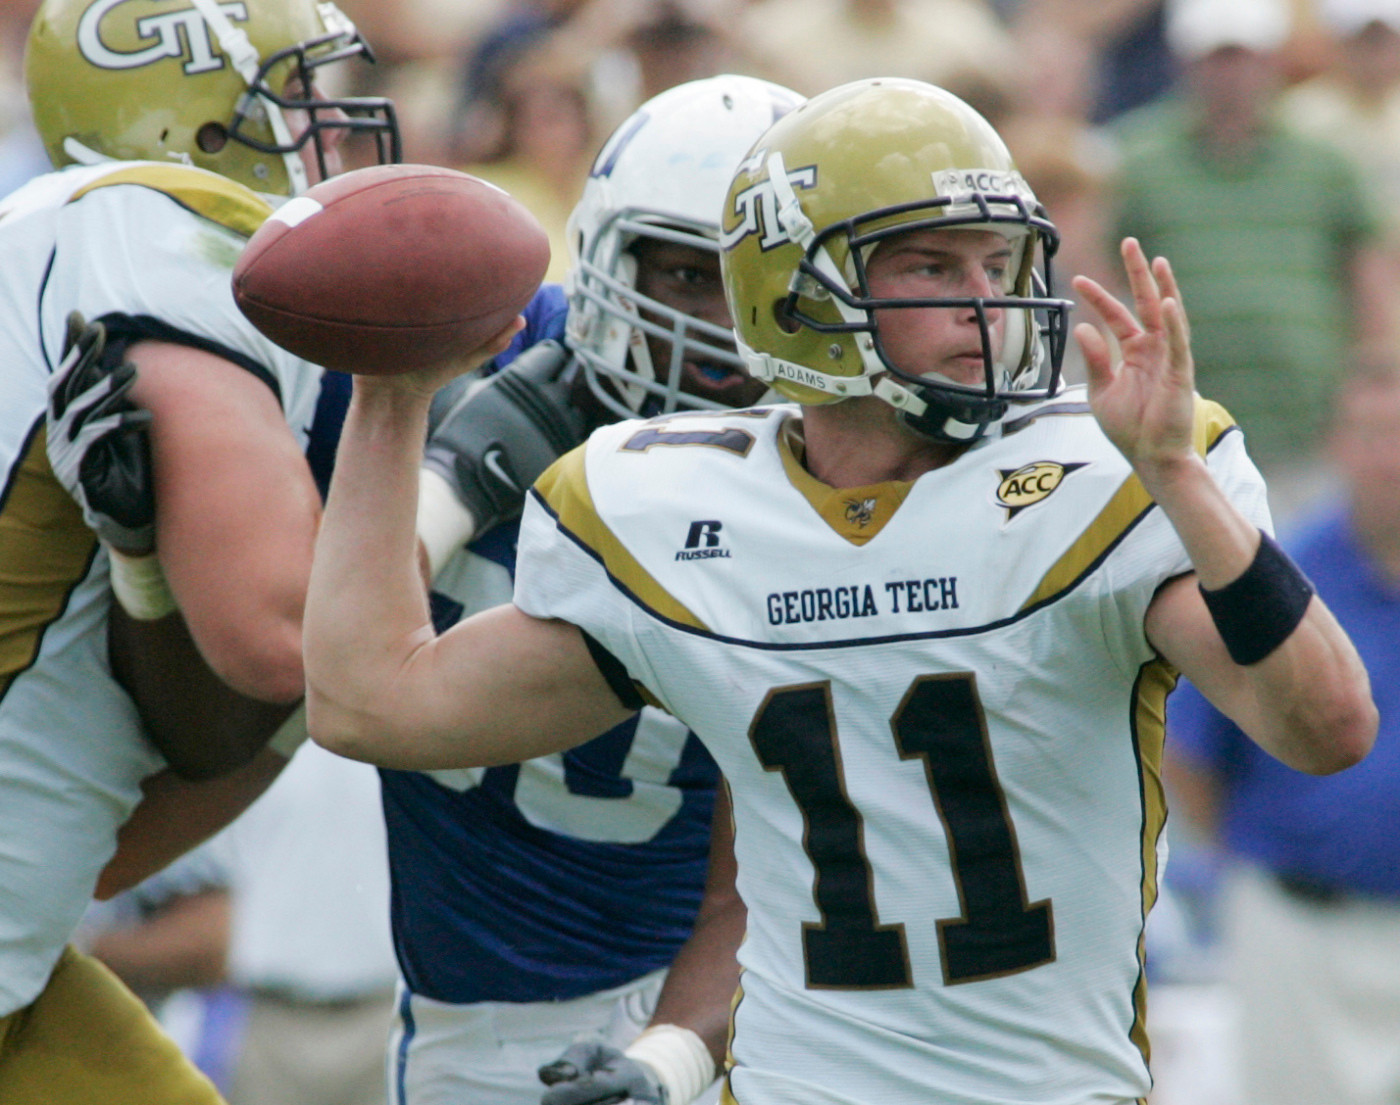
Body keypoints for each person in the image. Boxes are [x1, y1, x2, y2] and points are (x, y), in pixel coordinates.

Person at [303, 77, 1376, 1104]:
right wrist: (388, 404)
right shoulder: (671, 501)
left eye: (997, 262)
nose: (984, 304)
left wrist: (1181, 480)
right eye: (931, 265)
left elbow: (1325, 727)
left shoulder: (1099, 478)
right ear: (794, 292)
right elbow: (371, 700)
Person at [0, 0, 399, 1099]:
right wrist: (420, 440)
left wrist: (140, 567)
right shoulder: (152, 229)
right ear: (202, 126)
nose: (329, 121)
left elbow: (214, 735)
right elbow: (284, 641)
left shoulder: (49, 235)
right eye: (298, 92)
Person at [395, 74, 803, 1105]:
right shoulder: (469, 344)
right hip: (467, 1016)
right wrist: (452, 471)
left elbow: (774, 870)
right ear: (608, 257)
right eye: (685, 277)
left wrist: (673, 1050)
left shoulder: (837, 477)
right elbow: (306, 661)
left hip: (729, 1000)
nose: (727, 332)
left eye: (764, 283)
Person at [1165, 358, 1400, 1105]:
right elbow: (1193, 757)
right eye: (1373, 434)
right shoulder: (1277, 573)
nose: (1389, 456)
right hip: (1300, 934)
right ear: (1336, 445)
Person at [1109, 0, 1393, 519]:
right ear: (1185, 62)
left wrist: (1361, 417)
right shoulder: (1135, 160)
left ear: (1271, 62)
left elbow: (1373, 297)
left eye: (1243, 56)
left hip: (1308, 441)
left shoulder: (1325, 165)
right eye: (1217, 57)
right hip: (1183, 441)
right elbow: (1102, 281)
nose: (1231, 73)